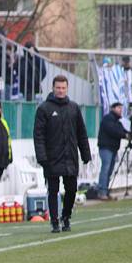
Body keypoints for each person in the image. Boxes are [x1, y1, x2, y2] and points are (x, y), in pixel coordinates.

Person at [34, 75, 91, 233]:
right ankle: (54, 221)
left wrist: (86, 155)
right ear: (53, 88)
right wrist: (42, 157)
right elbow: (38, 136)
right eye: (58, 88)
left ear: (67, 88)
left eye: (63, 88)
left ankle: (66, 216)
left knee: (72, 189)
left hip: (70, 156)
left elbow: (81, 133)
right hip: (51, 158)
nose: (60, 90)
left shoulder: (74, 107)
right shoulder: (44, 108)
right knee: (53, 190)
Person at [96, 102, 129, 200]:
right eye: (118, 108)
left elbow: (122, 131)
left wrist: (130, 134)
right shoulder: (108, 119)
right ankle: (102, 192)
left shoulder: (117, 121)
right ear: (113, 108)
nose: (120, 110)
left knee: (109, 171)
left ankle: (105, 191)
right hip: (106, 148)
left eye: (121, 108)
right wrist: (125, 135)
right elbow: (114, 131)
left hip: (113, 148)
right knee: (105, 170)